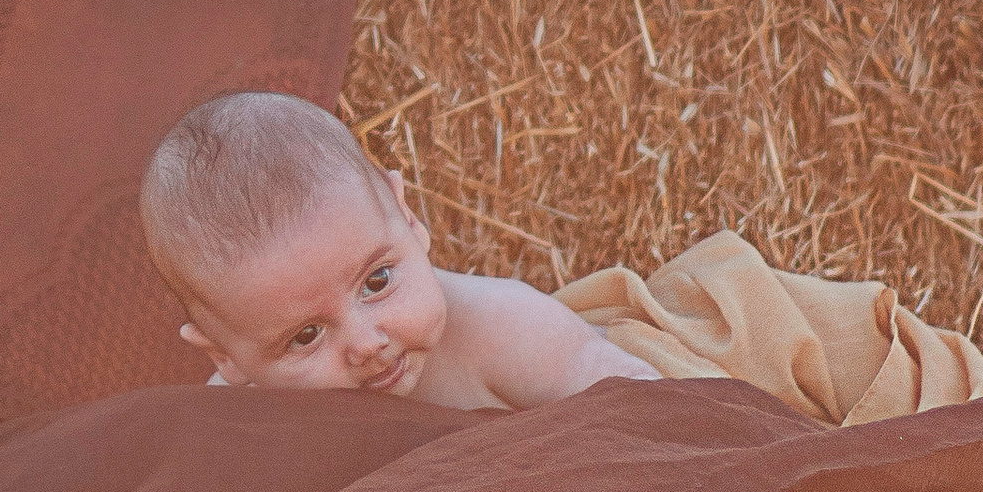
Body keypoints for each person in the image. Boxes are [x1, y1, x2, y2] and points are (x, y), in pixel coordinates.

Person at [140, 90, 653, 409]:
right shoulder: (230, 419)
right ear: (227, 357)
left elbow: (658, 420)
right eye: (306, 336)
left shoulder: (504, 331)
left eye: (377, 281)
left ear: (407, 217)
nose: (366, 345)